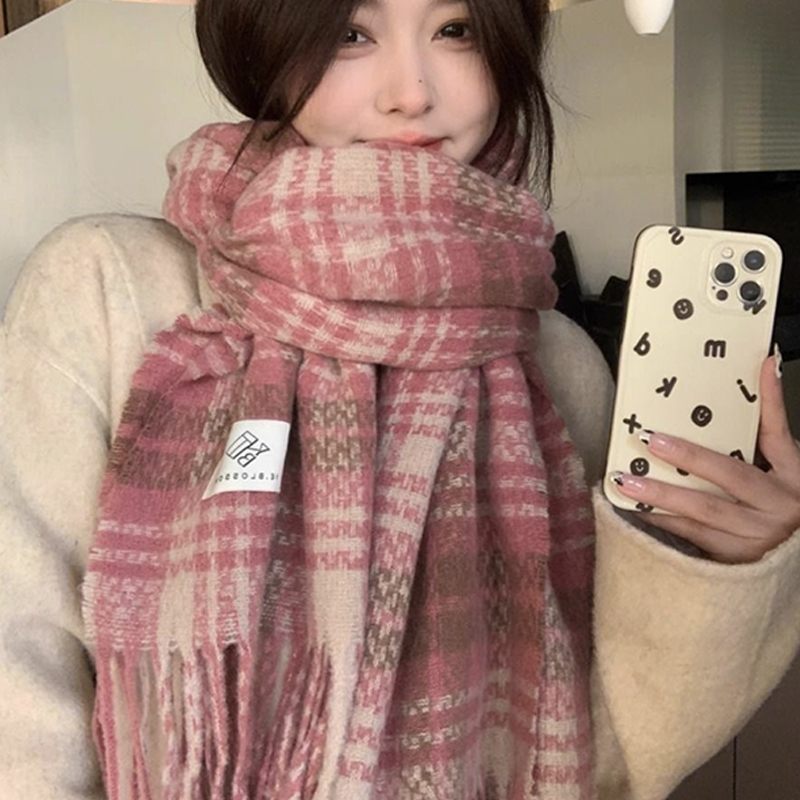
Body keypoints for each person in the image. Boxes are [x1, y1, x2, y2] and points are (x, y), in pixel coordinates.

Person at [1, 0, 799, 798]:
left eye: (456, 30)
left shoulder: (556, 363)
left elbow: (611, 759)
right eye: (352, 33)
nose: (411, 92)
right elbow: (20, 675)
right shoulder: (110, 287)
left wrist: (723, 575)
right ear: (267, 43)